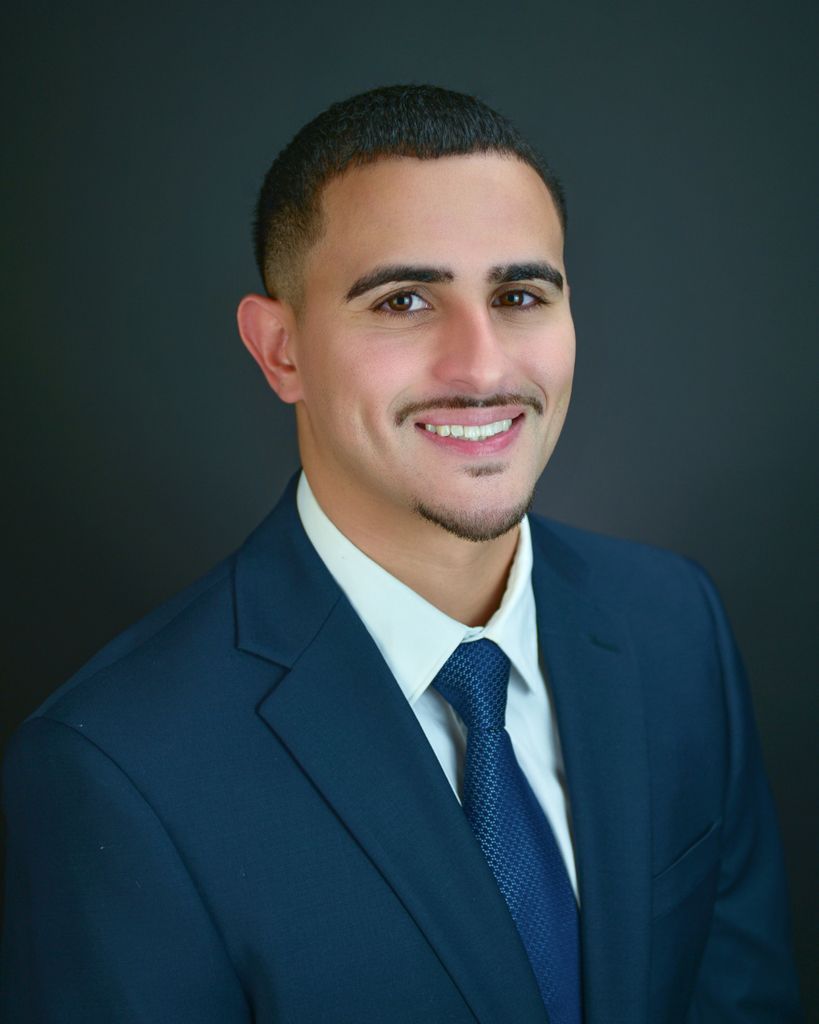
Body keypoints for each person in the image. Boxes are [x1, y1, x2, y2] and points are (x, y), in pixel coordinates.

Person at [0, 85, 801, 1023]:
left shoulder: (674, 624)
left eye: (518, 294)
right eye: (406, 299)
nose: (484, 367)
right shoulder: (113, 768)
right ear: (280, 349)